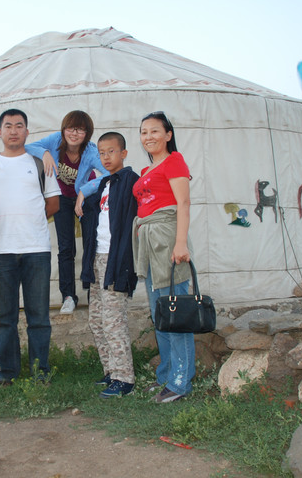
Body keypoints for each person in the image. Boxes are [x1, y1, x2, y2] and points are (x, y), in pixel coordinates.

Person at [0, 109, 61, 384]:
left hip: (36, 249)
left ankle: (40, 372)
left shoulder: (39, 162)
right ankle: (7, 372)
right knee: (5, 318)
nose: (14, 131)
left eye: (19, 126)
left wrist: (29, 219)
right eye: (8, 126)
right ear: (0, 132)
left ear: (27, 132)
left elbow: (53, 203)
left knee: (39, 316)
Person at [132, 111, 194, 403]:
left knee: (175, 313)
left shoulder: (174, 161)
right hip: (149, 244)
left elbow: (183, 203)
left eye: (155, 131)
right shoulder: (146, 172)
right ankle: (167, 377)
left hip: (168, 241)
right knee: (161, 315)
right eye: (144, 132)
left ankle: (181, 383)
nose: (149, 137)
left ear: (168, 135)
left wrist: (180, 243)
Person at [25, 110, 109, 314]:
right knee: (66, 248)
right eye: (71, 128)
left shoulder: (90, 150)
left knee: (91, 244)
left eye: (81, 130)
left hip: (85, 198)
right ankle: (69, 296)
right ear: (64, 129)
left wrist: (85, 190)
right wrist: (44, 153)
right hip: (61, 196)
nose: (74, 133)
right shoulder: (55, 140)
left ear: (87, 133)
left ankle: (93, 295)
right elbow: (28, 146)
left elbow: (108, 174)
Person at [80, 132, 139, 398]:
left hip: (116, 259)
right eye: (102, 153)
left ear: (123, 153)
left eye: (111, 151)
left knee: (113, 320)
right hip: (98, 258)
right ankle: (111, 371)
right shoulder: (103, 184)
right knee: (96, 320)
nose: (106, 157)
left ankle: (124, 378)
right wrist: (83, 194)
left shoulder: (130, 181)